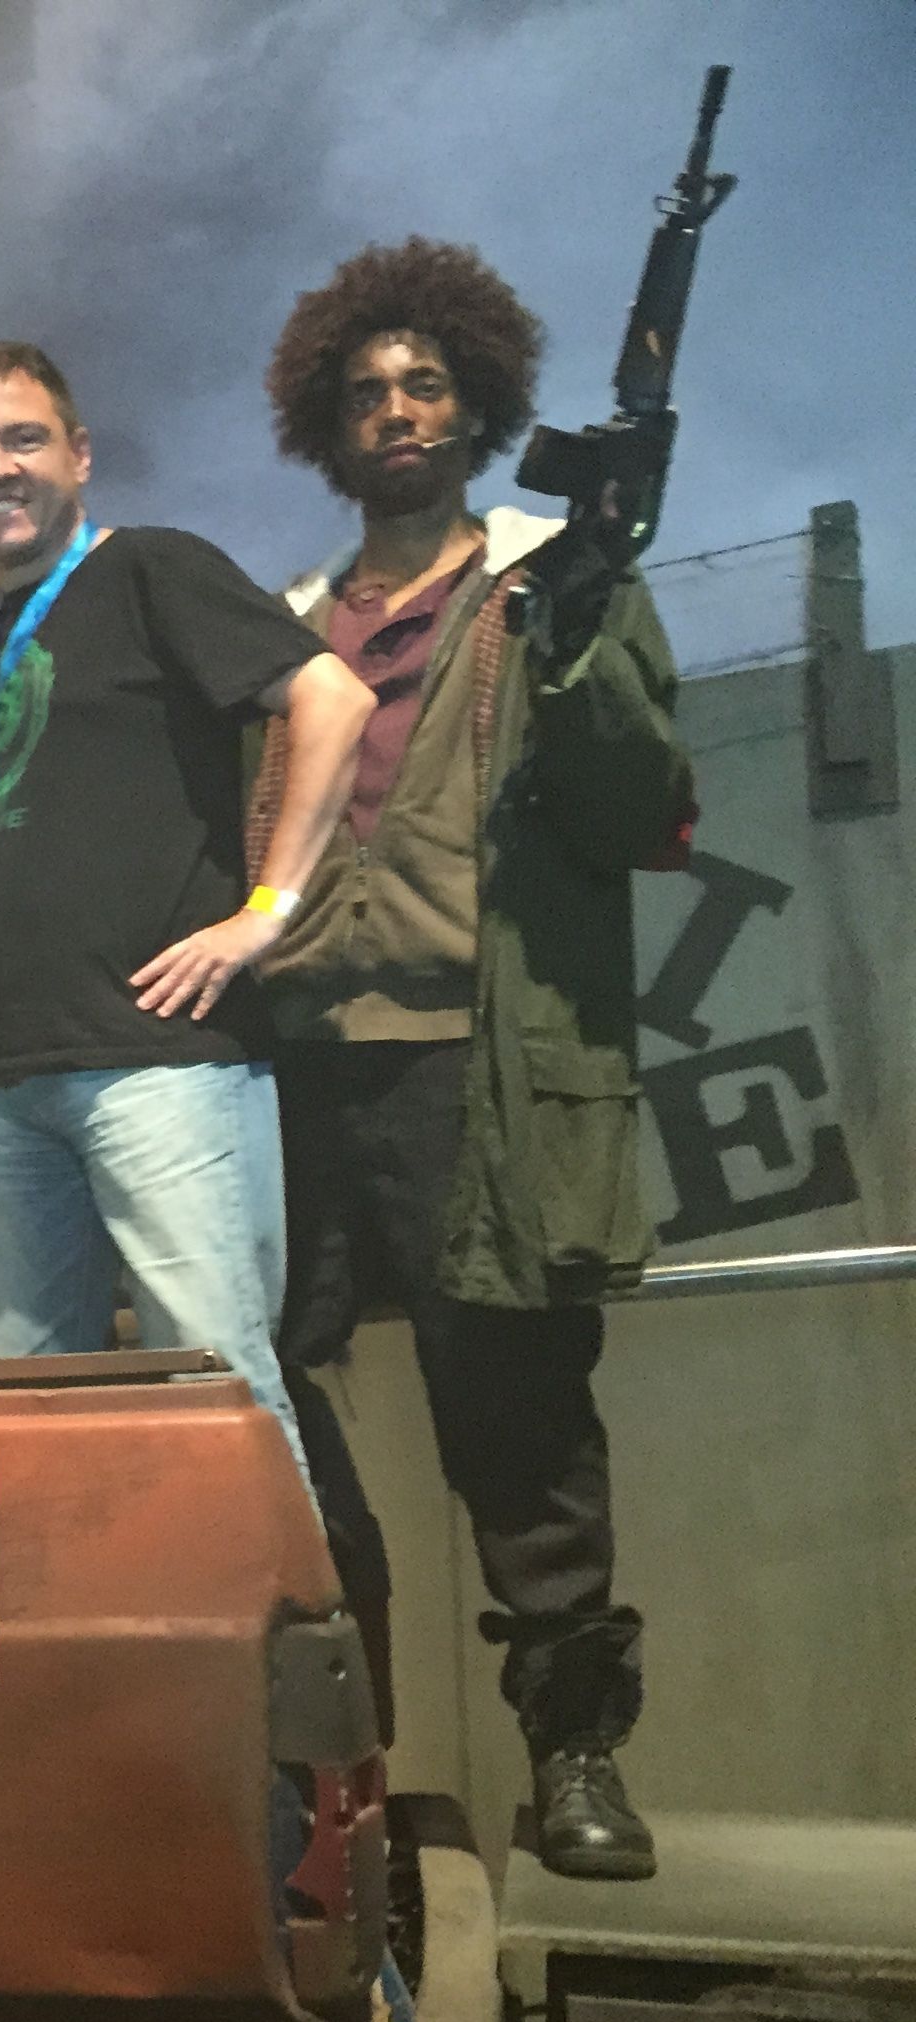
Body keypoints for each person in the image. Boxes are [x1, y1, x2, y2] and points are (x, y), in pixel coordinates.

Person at [255, 241, 692, 1878]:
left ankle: (572, 1752)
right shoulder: (289, 627)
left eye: (423, 383)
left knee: (517, 1429)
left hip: (474, 1067)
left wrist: (583, 633)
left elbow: (635, 807)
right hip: (302, 1072)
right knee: (266, 1414)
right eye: (366, 389)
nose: (395, 409)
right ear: (325, 422)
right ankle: (320, 1758)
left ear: (477, 406)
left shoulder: (541, 587)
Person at [0, 342, 375, 1482]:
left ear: (79, 455)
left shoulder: (150, 568)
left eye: (24, 438)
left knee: (218, 1398)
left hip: (159, 1062)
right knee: (38, 1424)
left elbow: (333, 696)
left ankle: (280, 1607)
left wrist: (267, 910)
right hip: (5, 1075)